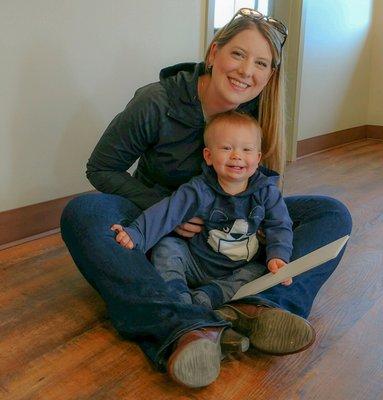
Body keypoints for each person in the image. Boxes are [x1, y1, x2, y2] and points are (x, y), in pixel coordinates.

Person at [60, 8, 352, 388]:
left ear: (270, 75)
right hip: (159, 222)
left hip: (226, 228)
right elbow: (101, 169)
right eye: (238, 54)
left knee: (331, 215)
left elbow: (263, 191)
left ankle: (259, 307)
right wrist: (165, 209)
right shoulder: (156, 102)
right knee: (82, 213)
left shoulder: (257, 111)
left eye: (261, 63)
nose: (247, 71)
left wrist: (260, 226)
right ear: (213, 53)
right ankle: (183, 325)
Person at [111, 110, 294, 311]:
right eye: (226, 148)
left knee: (260, 271)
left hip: (239, 269)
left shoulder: (266, 191)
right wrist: (137, 232)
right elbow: (167, 212)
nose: (236, 156)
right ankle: (177, 293)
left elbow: (280, 224)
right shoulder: (199, 189)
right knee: (167, 246)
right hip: (196, 263)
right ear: (208, 155)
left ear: (258, 158)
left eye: (247, 150)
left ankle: (206, 298)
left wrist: (278, 255)